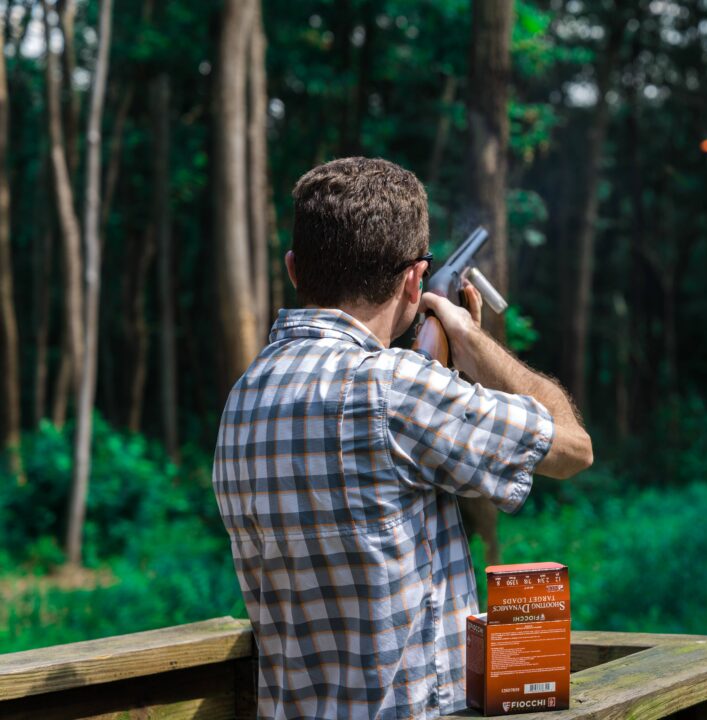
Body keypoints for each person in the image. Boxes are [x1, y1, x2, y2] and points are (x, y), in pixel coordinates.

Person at [212, 157, 593, 719]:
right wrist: (471, 340)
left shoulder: (245, 394)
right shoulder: (396, 388)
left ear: (295, 269)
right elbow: (571, 448)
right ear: (416, 279)